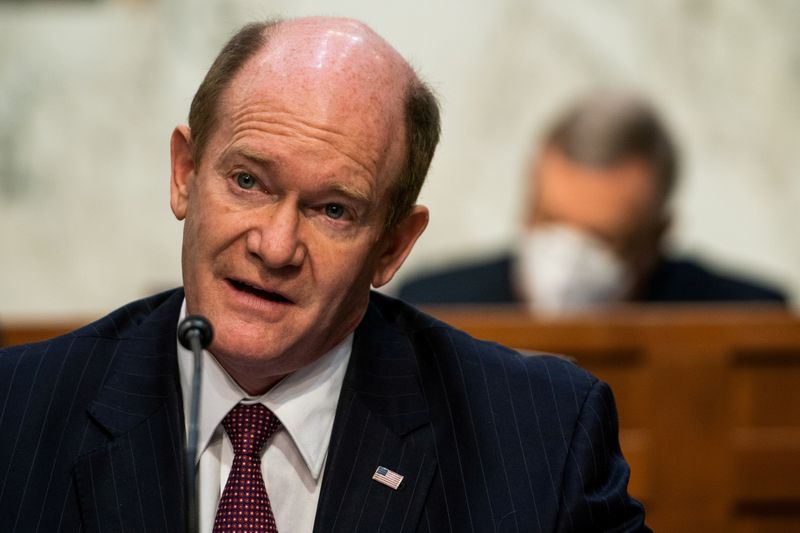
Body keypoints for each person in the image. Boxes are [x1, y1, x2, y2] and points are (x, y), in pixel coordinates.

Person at [0, 18, 648, 532]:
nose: (276, 246)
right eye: (248, 181)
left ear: (393, 245)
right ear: (184, 174)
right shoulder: (17, 413)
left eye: (334, 209)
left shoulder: (540, 437)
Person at [399, 92, 787, 311]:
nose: (567, 255)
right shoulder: (437, 310)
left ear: (658, 236)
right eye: (549, 221)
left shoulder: (743, 322)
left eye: (601, 239)